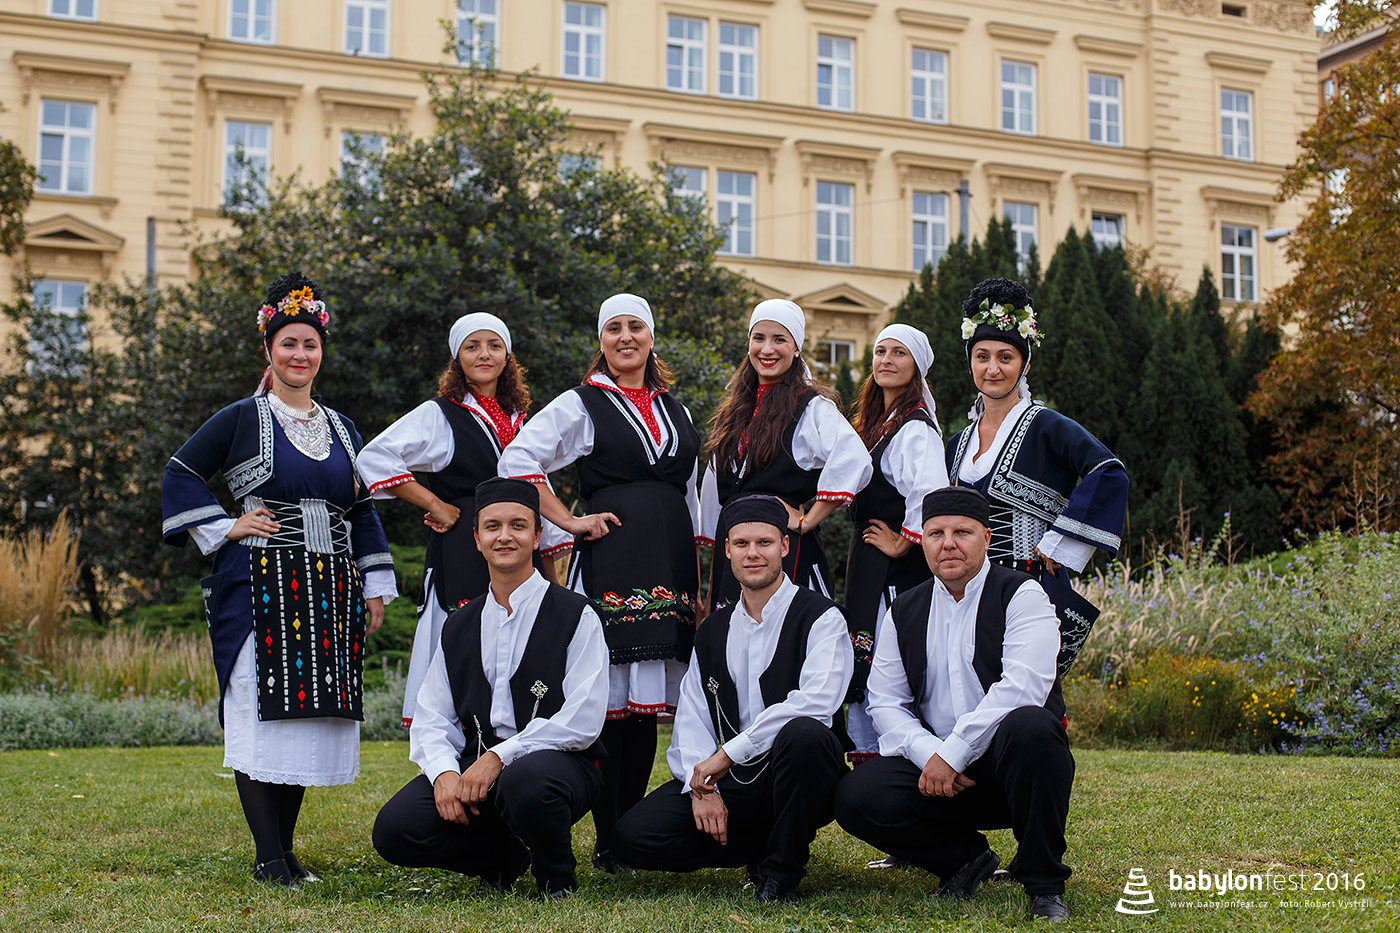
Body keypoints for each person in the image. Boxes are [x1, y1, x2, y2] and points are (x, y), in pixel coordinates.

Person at [160, 272, 397, 886]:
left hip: (329, 590)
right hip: (259, 584)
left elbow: (362, 509)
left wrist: (374, 583)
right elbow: (180, 472)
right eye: (288, 343)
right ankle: (268, 857)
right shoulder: (242, 417)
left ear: (322, 352)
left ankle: (284, 852)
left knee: (307, 716)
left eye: (309, 344)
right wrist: (226, 525)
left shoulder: (343, 428)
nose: (300, 354)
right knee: (259, 715)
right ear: (268, 349)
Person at [496, 293, 701, 872]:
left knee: (644, 710)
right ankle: (609, 837)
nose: (625, 337)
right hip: (614, 559)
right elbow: (520, 458)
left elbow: (689, 496)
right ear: (602, 340)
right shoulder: (582, 402)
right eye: (614, 328)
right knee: (609, 706)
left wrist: (699, 579)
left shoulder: (677, 410)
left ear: (652, 338)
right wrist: (567, 520)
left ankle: (625, 836)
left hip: (670, 566)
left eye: (636, 326)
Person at [833, 486, 1074, 923]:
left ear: (986, 537)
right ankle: (964, 858)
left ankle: (1043, 883)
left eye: (962, 532)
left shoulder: (1023, 594)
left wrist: (954, 753)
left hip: (1009, 771)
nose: (948, 544)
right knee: (856, 796)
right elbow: (885, 702)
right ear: (922, 541)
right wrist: (932, 755)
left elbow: (1023, 686)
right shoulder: (904, 609)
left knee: (1033, 727)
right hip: (938, 775)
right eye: (935, 534)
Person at [371, 478, 608, 899]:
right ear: (477, 539)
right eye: (493, 526)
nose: (505, 536)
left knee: (526, 781)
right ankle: (505, 858)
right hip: (477, 768)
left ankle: (556, 878)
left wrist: (500, 756)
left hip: (558, 767)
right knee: (396, 829)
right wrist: (444, 772)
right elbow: (433, 714)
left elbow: (583, 719)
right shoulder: (458, 624)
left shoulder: (577, 614)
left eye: (518, 525)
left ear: (537, 536)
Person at [612, 495, 853, 904]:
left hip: (802, 773)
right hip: (736, 782)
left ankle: (781, 872)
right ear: (727, 550)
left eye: (764, 542)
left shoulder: (822, 617)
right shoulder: (712, 630)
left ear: (784, 546)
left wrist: (726, 755)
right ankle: (761, 844)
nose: (752, 553)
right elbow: (693, 713)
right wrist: (703, 789)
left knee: (803, 734)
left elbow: (816, 702)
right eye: (742, 544)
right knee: (633, 837)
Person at [358, 312, 568, 727]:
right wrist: (434, 504)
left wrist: (551, 578)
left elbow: (537, 492)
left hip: (520, 555)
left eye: (494, 346)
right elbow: (375, 456)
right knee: (464, 642)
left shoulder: (520, 421)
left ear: (507, 357)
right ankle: (453, 746)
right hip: (462, 550)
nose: (484, 354)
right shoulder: (441, 414)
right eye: (472, 346)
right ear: (458, 358)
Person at [945, 277, 1128, 676]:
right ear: (970, 362)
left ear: (1025, 364)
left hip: (1029, 587)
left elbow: (1108, 472)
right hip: (965, 593)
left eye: (1005, 357)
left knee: (1028, 690)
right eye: (982, 356)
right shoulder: (957, 443)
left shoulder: (1047, 426)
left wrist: (1060, 541)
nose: (993, 368)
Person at [699, 299, 871, 610]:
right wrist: (713, 585)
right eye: (759, 338)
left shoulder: (810, 406)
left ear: (796, 349)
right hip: (736, 556)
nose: (767, 349)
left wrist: (808, 519)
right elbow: (716, 494)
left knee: (787, 633)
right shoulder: (735, 410)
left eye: (779, 339)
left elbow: (854, 458)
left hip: (784, 553)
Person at [843, 323, 948, 763]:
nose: (886, 359)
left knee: (889, 658)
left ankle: (893, 754)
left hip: (894, 569)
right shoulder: (880, 423)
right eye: (881, 351)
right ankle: (870, 755)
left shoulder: (914, 428)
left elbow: (931, 492)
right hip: (869, 559)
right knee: (867, 650)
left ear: (917, 367)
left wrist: (904, 543)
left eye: (899, 353)